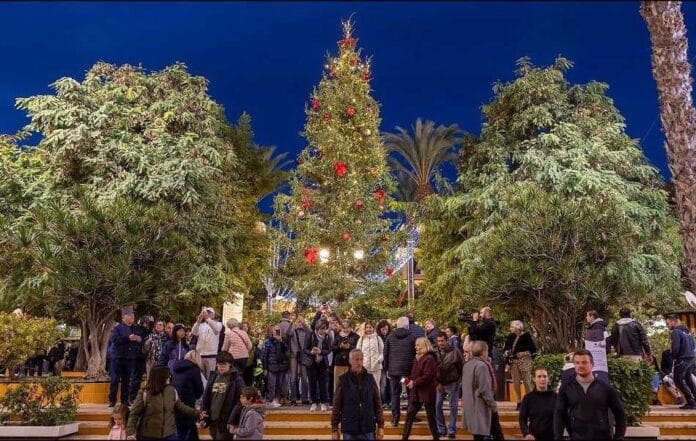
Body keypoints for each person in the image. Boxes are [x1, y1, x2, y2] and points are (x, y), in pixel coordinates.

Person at [553, 349, 626, 440]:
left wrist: (618, 437)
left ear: (592, 364)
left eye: (584, 362)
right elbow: (559, 414)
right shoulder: (566, 388)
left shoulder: (606, 388)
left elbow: (620, 414)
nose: (580, 365)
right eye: (577, 363)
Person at [125, 366, 202, 441]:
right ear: (160, 377)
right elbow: (134, 414)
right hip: (148, 436)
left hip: (169, 434)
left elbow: (181, 406)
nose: (169, 377)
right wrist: (130, 433)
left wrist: (197, 413)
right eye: (167, 375)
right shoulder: (144, 393)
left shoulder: (172, 390)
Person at [331, 349, 385, 440]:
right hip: (350, 428)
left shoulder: (370, 379)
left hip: (368, 428)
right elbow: (336, 405)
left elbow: (377, 403)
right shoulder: (343, 380)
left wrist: (381, 426)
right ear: (350, 361)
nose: (359, 362)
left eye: (361, 359)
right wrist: (334, 429)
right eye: (356, 359)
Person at [200, 351, 245, 440]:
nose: (221, 367)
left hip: (226, 420)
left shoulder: (236, 378)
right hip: (213, 419)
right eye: (219, 364)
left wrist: (233, 420)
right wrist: (204, 416)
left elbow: (240, 401)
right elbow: (206, 397)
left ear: (230, 365)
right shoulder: (213, 376)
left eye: (224, 365)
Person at [401, 337, 439, 441]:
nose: (415, 347)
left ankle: (436, 437)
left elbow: (428, 376)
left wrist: (415, 382)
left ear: (424, 345)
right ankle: (404, 438)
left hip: (427, 392)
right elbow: (414, 374)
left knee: (431, 417)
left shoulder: (430, 358)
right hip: (416, 392)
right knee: (410, 414)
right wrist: (407, 380)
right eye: (415, 345)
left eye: (418, 345)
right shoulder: (416, 357)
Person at [462, 340, 498, 441]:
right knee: (496, 433)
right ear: (483, 352)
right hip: (481, 407)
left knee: (477, 436)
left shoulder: (467, 365)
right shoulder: (481, 366)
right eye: (487, 351)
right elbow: (484, 389)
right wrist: (493, 405)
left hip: (471, 407)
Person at [384, 316, 416, 427]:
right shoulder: (412, 337)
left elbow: (386, 354)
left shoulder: (390, 336)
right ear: (407, 325)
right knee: (410, 393)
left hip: (394, 372)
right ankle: (410, 417)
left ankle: (395, 418)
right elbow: (414, 354)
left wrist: (386, 369)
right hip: (406, 372)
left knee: (395, 393)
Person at [109, 308, 140, 407]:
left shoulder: (136, 328)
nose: (132, 317)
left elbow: (140, 340)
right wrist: (128, 338)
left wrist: (139, 339)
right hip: (118, 357)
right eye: (129, 315)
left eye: (133, 315)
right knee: (115, 379)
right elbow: (114, 340)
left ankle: (124, 401)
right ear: (123, 317)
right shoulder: (118, 328)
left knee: (127, 381)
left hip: (130, 358)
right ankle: (112, 400)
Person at [435, 334, 464, 439]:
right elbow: (433, 369)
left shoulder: (455, 351)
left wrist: (460, 382)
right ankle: (441, 429)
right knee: (437, 406)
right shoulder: (435, 352)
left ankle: (451, 430)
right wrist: (437, 383)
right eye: (438, 341)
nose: (440, 343)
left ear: (447, 340)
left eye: (442, 341)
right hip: (439, 384)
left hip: (453, 383)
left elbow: (461, 366)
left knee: (454, 407)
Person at [172, 350, 205, 441]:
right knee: (189, 427)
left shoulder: (176, 367)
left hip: (175, 400)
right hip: (188, 401)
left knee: (180, 427)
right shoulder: (194, 369)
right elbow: (199, 389)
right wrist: (198, 396)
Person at [503, 320, 536, 408]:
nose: (511, 329)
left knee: (527, 381)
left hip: (524, 361)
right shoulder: (510, 337)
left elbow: (533, 350)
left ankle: (530, 401)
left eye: (512, 327)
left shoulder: (526, 336)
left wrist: (523, 353)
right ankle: (518, 401)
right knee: (516, 382)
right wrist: (506, 353)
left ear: (518, 327)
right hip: (514, 362)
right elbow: (506, 347)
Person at [665, 314, 696, 409]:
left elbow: (675, 348)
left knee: (677, 380)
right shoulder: (688, 331)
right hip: (691, 358)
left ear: (673, 321)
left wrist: (673, 356)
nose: (667, 326)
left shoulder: (676, 332)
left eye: (668, 323)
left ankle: (690, 401)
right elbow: (694, 345)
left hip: (682, 358)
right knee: (688, 379)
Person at [519, 367, 556, 441]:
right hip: (534, 437)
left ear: (548, 378)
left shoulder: (556, 397)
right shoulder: (528, 398)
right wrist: (527, 433)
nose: (542, 379)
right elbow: (522, 419)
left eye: (545, 376)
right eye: (539, 376)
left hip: (552, 437)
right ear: (534, 379)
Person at [305, 319, 332, 412]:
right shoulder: (311, 335)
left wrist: (321, 351)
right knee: (312, 383)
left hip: (322, 363)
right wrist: (311, 352)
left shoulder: (328, 337)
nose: (322, 331)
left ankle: (323, 402)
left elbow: (329, 349)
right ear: (317, 328)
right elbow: (305, 349)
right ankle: (314, 402)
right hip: (312, 362)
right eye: (320, 329)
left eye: (324, 329)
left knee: (323, 383)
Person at [191, 307, 223, 379]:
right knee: (200, 377)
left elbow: (216, 330)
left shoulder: (218, 324)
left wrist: (208, 319)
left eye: (209, 313)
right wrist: (198, 321)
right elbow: (194, 332)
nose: (206, 314)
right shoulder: (201, 325)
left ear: (213, 315)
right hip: (200, 355)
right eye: (205, 313)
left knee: (210, 377)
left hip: (211, 355)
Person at [263, 325, 289, 408]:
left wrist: (281, 341)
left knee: (279, 384)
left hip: (281, 366)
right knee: (272, 384)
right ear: (272, 331)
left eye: (278, 330)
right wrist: (265, 368)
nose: (277, 331)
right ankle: (271, 400)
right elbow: (265, 356)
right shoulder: (269, 342)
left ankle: (276, 399)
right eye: (275, 330)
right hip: (272, 366)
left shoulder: (283, 340)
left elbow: (287, 350)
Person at [288, 314, 312, 405]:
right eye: (298, 320)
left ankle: (305, 398)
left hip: (303, 355)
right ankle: (293, 399)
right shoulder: (293, 330)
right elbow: (288, 333)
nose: (300, 322)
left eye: (301, 320)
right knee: (293, 377)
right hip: (294, 355)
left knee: (304, 377)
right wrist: (293, 324)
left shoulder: (306, 331)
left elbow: (311, 332)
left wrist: (304, 323)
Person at [332, 320, 360, 394]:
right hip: (339, 363)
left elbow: (358, 348)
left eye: (347, 328)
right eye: (344, 328)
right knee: (338, 384)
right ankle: (338, 401)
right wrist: (340, 346)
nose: (345, 329)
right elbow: (333, 348)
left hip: (350, 364)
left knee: (351, 384)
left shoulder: (356, 336)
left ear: (351, 328)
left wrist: (350, 347)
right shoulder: (337, 335)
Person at [356, 320, 384, 395]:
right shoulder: (361, 339)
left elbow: (382, 352)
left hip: (376, 367)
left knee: (376, 386)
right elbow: (358, 353)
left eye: (370, 327)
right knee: (365, 386)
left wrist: (379, 360)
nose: (368, 329)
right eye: (367, 327)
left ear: (373, 328)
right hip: (365, 367)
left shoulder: (378, 339)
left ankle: (377, 404)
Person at [584, 310, 610, 384]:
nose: (586, 318)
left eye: (587, 316)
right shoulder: (599, 325)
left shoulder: (597, 326)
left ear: (592, 316)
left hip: (598, 358)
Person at [376, 320, 392, 410]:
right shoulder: (377, 338)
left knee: (390, 383)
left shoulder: (391, 336)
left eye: (386, 329)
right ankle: (383, 401)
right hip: (381, 363)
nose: (384, 331)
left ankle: (389, 401)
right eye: (383, 329)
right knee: (383, 384)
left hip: (390, 364)